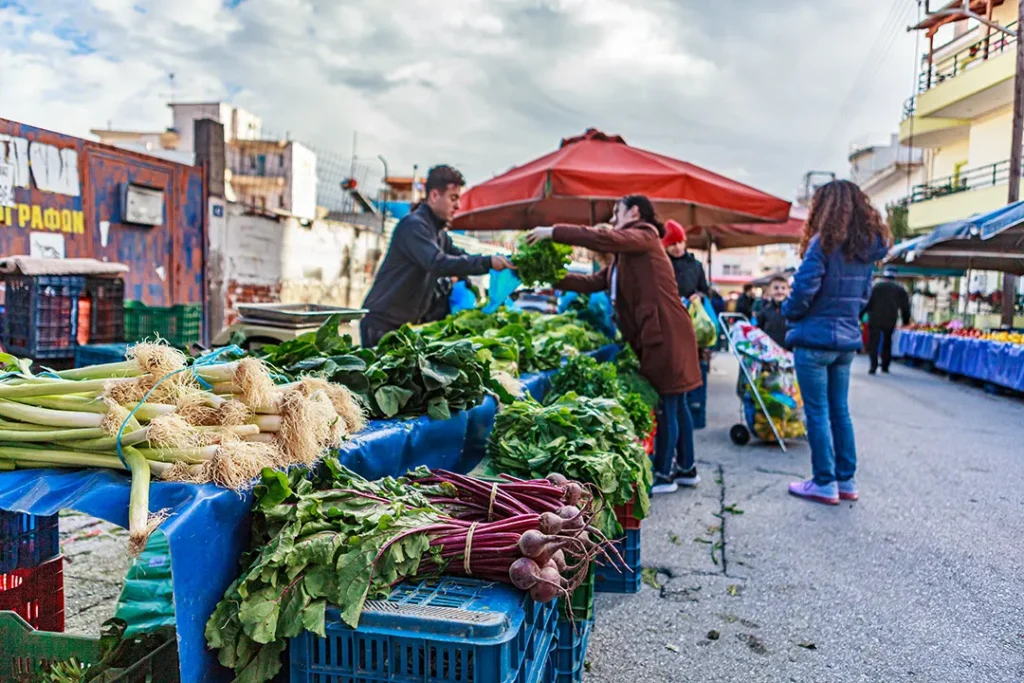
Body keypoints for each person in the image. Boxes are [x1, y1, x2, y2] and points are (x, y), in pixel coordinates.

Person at [525, 195, 703, 495]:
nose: (612, 217)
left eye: (617, 211)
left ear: (634, 211)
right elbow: (592, 282)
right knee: (678, 402)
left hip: (667, 335)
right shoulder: (627, 255)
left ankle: (665, 474)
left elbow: (605, 237)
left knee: (670, 404)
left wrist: (553, 231)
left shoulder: (644, 235)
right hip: (664, 334)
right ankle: (686, 469)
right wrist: (550, 276)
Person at [782, 179, 890, 506]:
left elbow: (803, 290)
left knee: (817, 412)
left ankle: (824, 482)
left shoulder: (822, 243)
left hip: (813, 341)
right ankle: (846, 480)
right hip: (845, 342)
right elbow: (864, 295)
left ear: (824, 208)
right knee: (840, 411)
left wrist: (789, 313)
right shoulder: (866, 249)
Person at [360, 164, 514, 346]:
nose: (458, 205)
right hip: (382, 324)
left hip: (403, 326)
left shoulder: (439, 234)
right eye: (453, 198)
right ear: (434, 196)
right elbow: (438, 263)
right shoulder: (414, 226)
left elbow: (461, 257)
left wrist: (501, 263)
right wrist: (488, 262)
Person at [863, 269, 911, 375]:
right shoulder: (899, 289)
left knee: (873, 343)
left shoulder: (875, 286)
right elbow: (905, 306)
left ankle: (873, 366)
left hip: (874, 319)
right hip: (890, 319)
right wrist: (906, 319)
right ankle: (885, 366)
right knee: (887, 342)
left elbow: (866, 302)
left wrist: (860, 315)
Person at [664, 220, 709, 303]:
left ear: (685, 243)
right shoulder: (661, 265)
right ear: (666, 246)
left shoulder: (696, 265)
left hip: (691, 311)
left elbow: (705, 291)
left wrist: (698, 296)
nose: (677, 247)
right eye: (673, 244)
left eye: (680, 242)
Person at [755, 276, 790, 349]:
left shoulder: (793, 309)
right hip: (771, 350)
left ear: (788, 290)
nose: (780, 291)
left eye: (783, 288)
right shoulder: (765, 310)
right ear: (769, 290)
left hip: (789, 349)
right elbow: (759, 329)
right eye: (776, 288)